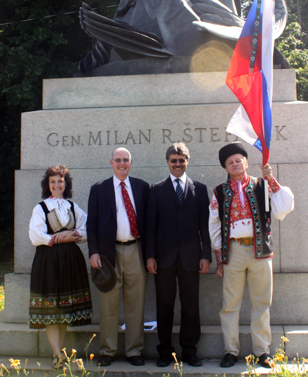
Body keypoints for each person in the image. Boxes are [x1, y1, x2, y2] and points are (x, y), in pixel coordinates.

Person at [209, 142, 294, 369]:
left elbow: (284, 208)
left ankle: (262, 351)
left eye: (239, 160)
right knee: (230, 305)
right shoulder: (218, 192)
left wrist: (272, 179)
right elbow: (214, 226)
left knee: (261, 302)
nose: (235, 164)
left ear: (246, 162)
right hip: (233, 251)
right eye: (230, 162)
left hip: (260, 251)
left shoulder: (262, 185)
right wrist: (220, 259)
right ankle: (230, 350)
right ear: (225, 167)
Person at [146, 143, 211, 367]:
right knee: (164, 305)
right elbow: (150, 226)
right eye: (173, 160)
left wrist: (206, 255)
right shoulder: (156, 189)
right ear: (167, 162)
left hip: (191, 257)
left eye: (181, 160)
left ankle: (190, 351)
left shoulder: (200, 189)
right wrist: (150, 256)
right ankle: (165, 351)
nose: (177, 164)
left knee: (191, 305)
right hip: (163, 258)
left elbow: (205, 226)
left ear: (187, 162)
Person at [87, 148, 149, 367]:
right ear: (111, 162)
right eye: (118, 160)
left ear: (131, 162)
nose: (122, 163)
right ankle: (107, 351)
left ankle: (134, 351)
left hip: (136, 250)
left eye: (126, 160)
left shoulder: (142, 187)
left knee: (136, 303)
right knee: (108, 304)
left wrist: (150, 254)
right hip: (107, 254)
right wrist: (93, 252)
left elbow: (149, 224)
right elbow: (91, 224)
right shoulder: (99, 189)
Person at [28, 165, 92, 369]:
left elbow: (86, 229)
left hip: (71, 261)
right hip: (48, 261)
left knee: (64, 308)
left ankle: (60, 351)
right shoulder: (41, 208)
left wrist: (72, 235)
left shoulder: (73, 207)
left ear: (66, 184)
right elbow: (36, 236)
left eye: (60, 181)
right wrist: (65, 238)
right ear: (48, 185)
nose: (57, 185)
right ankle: (57, 354)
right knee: (51, 308)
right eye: (53, 181)